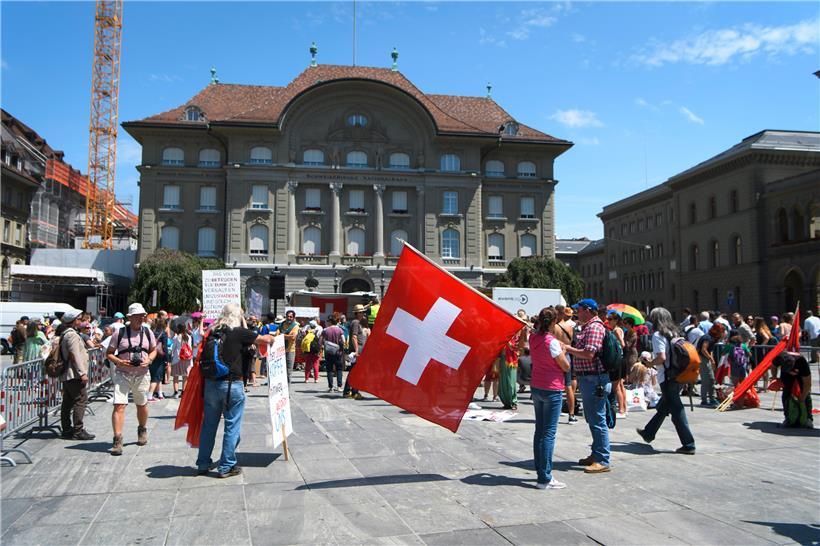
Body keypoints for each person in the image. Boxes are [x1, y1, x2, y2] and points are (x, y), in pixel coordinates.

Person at [196, 304, 276, 478]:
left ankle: (203, 463)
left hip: (211, 384)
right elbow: (266, 340)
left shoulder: (212, 331)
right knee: (231, 425)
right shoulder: (239, 332)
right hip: (232, 384)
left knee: (209, 425)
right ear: (239, 316)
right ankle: (226, 466)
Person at [637, 307, 696, 455]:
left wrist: (650, 363)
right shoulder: (675, 333)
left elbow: (662, 357)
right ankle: (649, 433)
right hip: (678, 374)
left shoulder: (658, 335)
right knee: (664, 405)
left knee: (677, 410)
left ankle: (689, 444)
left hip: (668, 377)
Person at [562, 299, 611, 473]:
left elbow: (590, 353)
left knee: (597, 419)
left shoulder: (594, 327)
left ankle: (603, 459)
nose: (577, 313)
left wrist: (568, 348)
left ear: (589, 310)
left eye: (580, 310)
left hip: (595, 379)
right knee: (593, 419)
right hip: (589, 379)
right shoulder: (588, 326)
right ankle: (596, 454)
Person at [105, 303, 157, 456]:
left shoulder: (148, 332)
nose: (142, 318)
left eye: (143, 315)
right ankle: (117, 439)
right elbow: (109, 353)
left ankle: (142, 429)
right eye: (138, 316)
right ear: (130, 317)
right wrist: (119, 361)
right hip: (123, 374)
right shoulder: (119, 333)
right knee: (119, 405)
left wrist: (150, 360)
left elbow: (153, 350)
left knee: (141, 405)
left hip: (142, 374)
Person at [530, 307, 571, 490]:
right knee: (549, 433)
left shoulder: (534, 338)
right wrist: (564, 351)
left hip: (537, 386)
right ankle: (545, 477)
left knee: (539, 430)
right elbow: (565, 366)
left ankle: (540, 470)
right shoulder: (552, 342)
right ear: (554, 322)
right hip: (552, 389)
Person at [58, 309, 95, 440]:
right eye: (78, 319)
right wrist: (82, 373)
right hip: (73, 373)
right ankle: (78, 430)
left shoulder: (65, 333)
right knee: (81, 400)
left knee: (67, 402)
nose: (80, 321)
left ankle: (67, 429)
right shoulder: (72, 335)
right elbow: (74, 355)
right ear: (73, 321)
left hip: (68, 373)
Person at [553, 305, 577, 423]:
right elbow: (572, 342)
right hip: (567, 355)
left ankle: (555, 412)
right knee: (568, 386)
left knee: (556, 385)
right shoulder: (570, 327)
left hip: (557, 356)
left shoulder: (554, 327)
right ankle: (572, 414)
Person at [777, 353, 813, 428]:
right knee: (786, 392)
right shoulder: (780, 357)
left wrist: (802, 398)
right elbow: (773, 366)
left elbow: (808, 384)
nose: (790, 372)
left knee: (806, 394)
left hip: (801, 373)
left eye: (790, 369)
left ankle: (808, 419)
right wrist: (775, 378)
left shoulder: (802, 362)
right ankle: (788, 418)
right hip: (786, 375)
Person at [606, 312, 628, 418]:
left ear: (615, 320)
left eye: (610, 319)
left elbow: (622, 344)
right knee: (620, 385)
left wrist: (616, 347)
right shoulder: (618, 329)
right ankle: (624, 407)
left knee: (616, 387)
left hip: (618, 359)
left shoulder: (615, 330)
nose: (608, 321)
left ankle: (621, 410)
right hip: (622, 359)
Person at [343, 304, 368, 399]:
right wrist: (357, 350)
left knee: (355, 372)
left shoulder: (359, 322)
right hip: (357, 351)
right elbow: (354, 337)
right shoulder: (356, 322)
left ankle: (353, 391)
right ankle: (350, 392)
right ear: (357, 313)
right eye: (361, 312)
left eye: (363, 312)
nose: (363, 314)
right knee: (354, 372)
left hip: (360, 351)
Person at [696, 323, 723, 407]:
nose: (721, 333)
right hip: (702, 359)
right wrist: (711, 359)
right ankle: (704, 400)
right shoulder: (707, 337)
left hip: (705, 358)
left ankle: (712, 398)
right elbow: (704, 350)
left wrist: (712, 360)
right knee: (706, 380)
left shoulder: (712, 338)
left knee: (711, 379)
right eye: (720, 331)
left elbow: (709, 350)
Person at [321, 313, 346, 393]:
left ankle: (331, 387)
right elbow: (344, 340)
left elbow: (320, 341)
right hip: (338, 352)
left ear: (330, 321)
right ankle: (339, 387)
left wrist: (323, 346)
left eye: (328, 321)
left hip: (328, 353)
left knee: (329, 370)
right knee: (339, 369)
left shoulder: (325, 330)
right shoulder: (340, 330)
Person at [148, 317, 170, 401]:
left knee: (158, 375)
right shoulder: (163, 334)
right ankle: (149, 396)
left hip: (151, 355)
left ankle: (160, 393)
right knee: (156, 377)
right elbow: (165, 348)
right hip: (160, 357)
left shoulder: (152, 332)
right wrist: (167, 359)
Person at [170, 323, 192, 397]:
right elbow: (190, 348)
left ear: (178, 329)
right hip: (186, 359)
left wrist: (171, 356)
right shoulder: (189, 337)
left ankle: (176, 392)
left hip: (177, 359)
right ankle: (183, 392)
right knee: (185, 377)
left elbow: (173, 348)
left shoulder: (176, 338)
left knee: (175, 376)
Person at [279, 310, 299, 384]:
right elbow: (276, 335)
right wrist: (287, 336)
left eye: (291, 317)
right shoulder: (281, 325)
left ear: (293, 317)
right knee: (281, 372)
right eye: (288, 316)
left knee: (288, 372)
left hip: (290, 351)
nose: (289, 318)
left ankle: (287, 393)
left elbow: (293, 337)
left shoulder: (295, 326)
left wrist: (282, 335)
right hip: (281, 350)